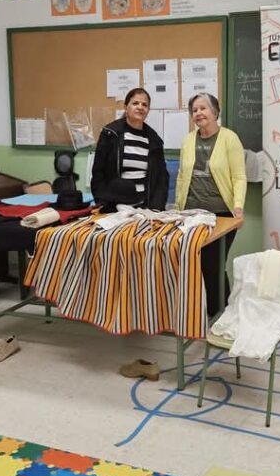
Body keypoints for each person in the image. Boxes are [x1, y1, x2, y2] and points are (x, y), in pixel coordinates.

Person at [175, 93, 246, 315]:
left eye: (203, 108)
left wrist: (238, 207)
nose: (198, 113)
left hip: (221, 214)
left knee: (214, 265)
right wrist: (178, 209)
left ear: (215, 112)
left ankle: (221, 314)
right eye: (194, 110)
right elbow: (181, 176)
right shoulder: (188, 140)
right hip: (190, 214)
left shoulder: (229, 138)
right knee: (193, 264)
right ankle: (200, 313)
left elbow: (239, 176)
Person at [91, 87, 169, 210]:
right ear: (126, 106)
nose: (140, 107)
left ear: (148, 110)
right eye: (135, 103)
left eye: (145, 105)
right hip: (115, 207)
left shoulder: (154, 140)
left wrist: (156, 208)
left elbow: (162, 178)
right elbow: (98, 173)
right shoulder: (110, 133)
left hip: (145, 207)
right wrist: (103, 203)